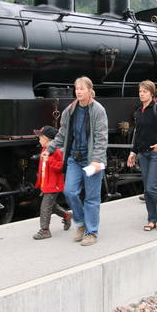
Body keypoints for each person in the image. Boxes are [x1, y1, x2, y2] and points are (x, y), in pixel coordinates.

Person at [43, 76, 108, 246]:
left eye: (81, 88)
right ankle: (80, 223)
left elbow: (101, 138)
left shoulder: (98, 110)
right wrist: (49, 149)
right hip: (74, 158)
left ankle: (91, 232)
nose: (78, 91)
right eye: (76, 88)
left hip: (92, 160)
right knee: (70, 191)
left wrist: (96, 160)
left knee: (92, 198)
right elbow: (62, 134)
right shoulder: (69, 110)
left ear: (89, 90)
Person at [127, 80, 157, 231]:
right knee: (147, 189)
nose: (142, 94)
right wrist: (133, 151)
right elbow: (139, 134)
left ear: (151, 93)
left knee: (152, 186)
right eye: (140, 91)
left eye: (145, 91)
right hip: (143, 154)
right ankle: (152, 219)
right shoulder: (138, 111)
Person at [32, 125, 71, 240]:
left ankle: (44, 230)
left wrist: (49, 160)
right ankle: (67, 215)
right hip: (47, 184)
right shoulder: (44, 150)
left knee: (45, 208)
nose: (39, 140)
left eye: (41, 137)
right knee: (52, 206)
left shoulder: (56, 152)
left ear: (48, 139)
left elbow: (60, 168)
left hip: (53, 185)